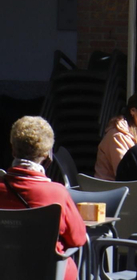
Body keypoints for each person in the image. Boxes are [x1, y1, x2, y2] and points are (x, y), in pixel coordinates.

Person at [1, 116, 89, 280]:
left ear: (13, 150)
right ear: (47, 155)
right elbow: (78, 238)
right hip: (51, 273)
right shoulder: (58, 193)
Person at [95, 91, 137, 179]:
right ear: (133, 111)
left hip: (132, 185)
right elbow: (123, 172)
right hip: (110, 188)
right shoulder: (117, 135)